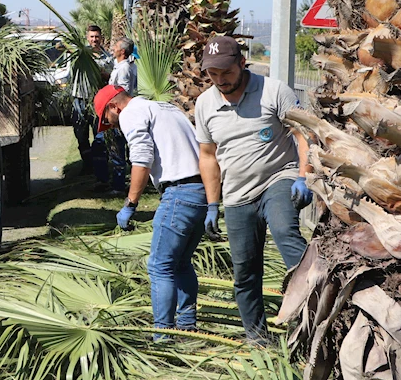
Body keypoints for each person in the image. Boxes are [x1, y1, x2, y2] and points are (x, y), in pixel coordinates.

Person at [194, 35, 311, 344]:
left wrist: (303, 175)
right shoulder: (205, 104)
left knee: (286, 232)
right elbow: (207, 156)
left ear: (242, 63)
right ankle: (257, 337)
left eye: (227, 72)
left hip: (279, 177)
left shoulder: (273, 92)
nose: (221, 80)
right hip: (236, 195)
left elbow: (303, 134)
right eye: (213, 74)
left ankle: (315, 300)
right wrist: (211, 204)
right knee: (245, 271)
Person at [94, 84, 208, 336]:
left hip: (179, 192)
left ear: (114, 106)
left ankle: (163, 335)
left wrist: (130, 203)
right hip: (202, 191)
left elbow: (142, 158)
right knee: (180, 263)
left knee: (159, 266)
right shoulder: (163, 107)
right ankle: (188, 328)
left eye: (107, 120)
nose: (111, 126)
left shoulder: (131, 113)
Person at [94, 37, 137, 193]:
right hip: (113, 111)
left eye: (116, 46)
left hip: (117, 113)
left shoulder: (125, 68)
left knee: (117, 149)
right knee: (111, 148)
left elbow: (121, 92)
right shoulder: (119, 66)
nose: (113, 48)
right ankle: (111, 181)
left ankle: (118, 185)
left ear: (122, 51)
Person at [72, 25, 114, 175]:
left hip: (98, 101)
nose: (94, 40)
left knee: (99, 134)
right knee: (80, 134)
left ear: (101, 38)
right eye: (91, 36)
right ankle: (87, 164)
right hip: (80, 99)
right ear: (87, 37)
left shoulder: (107, 57)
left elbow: (112, 77)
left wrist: (103, 74)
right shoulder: (79, 54)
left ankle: (100, 166)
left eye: (97, 37)